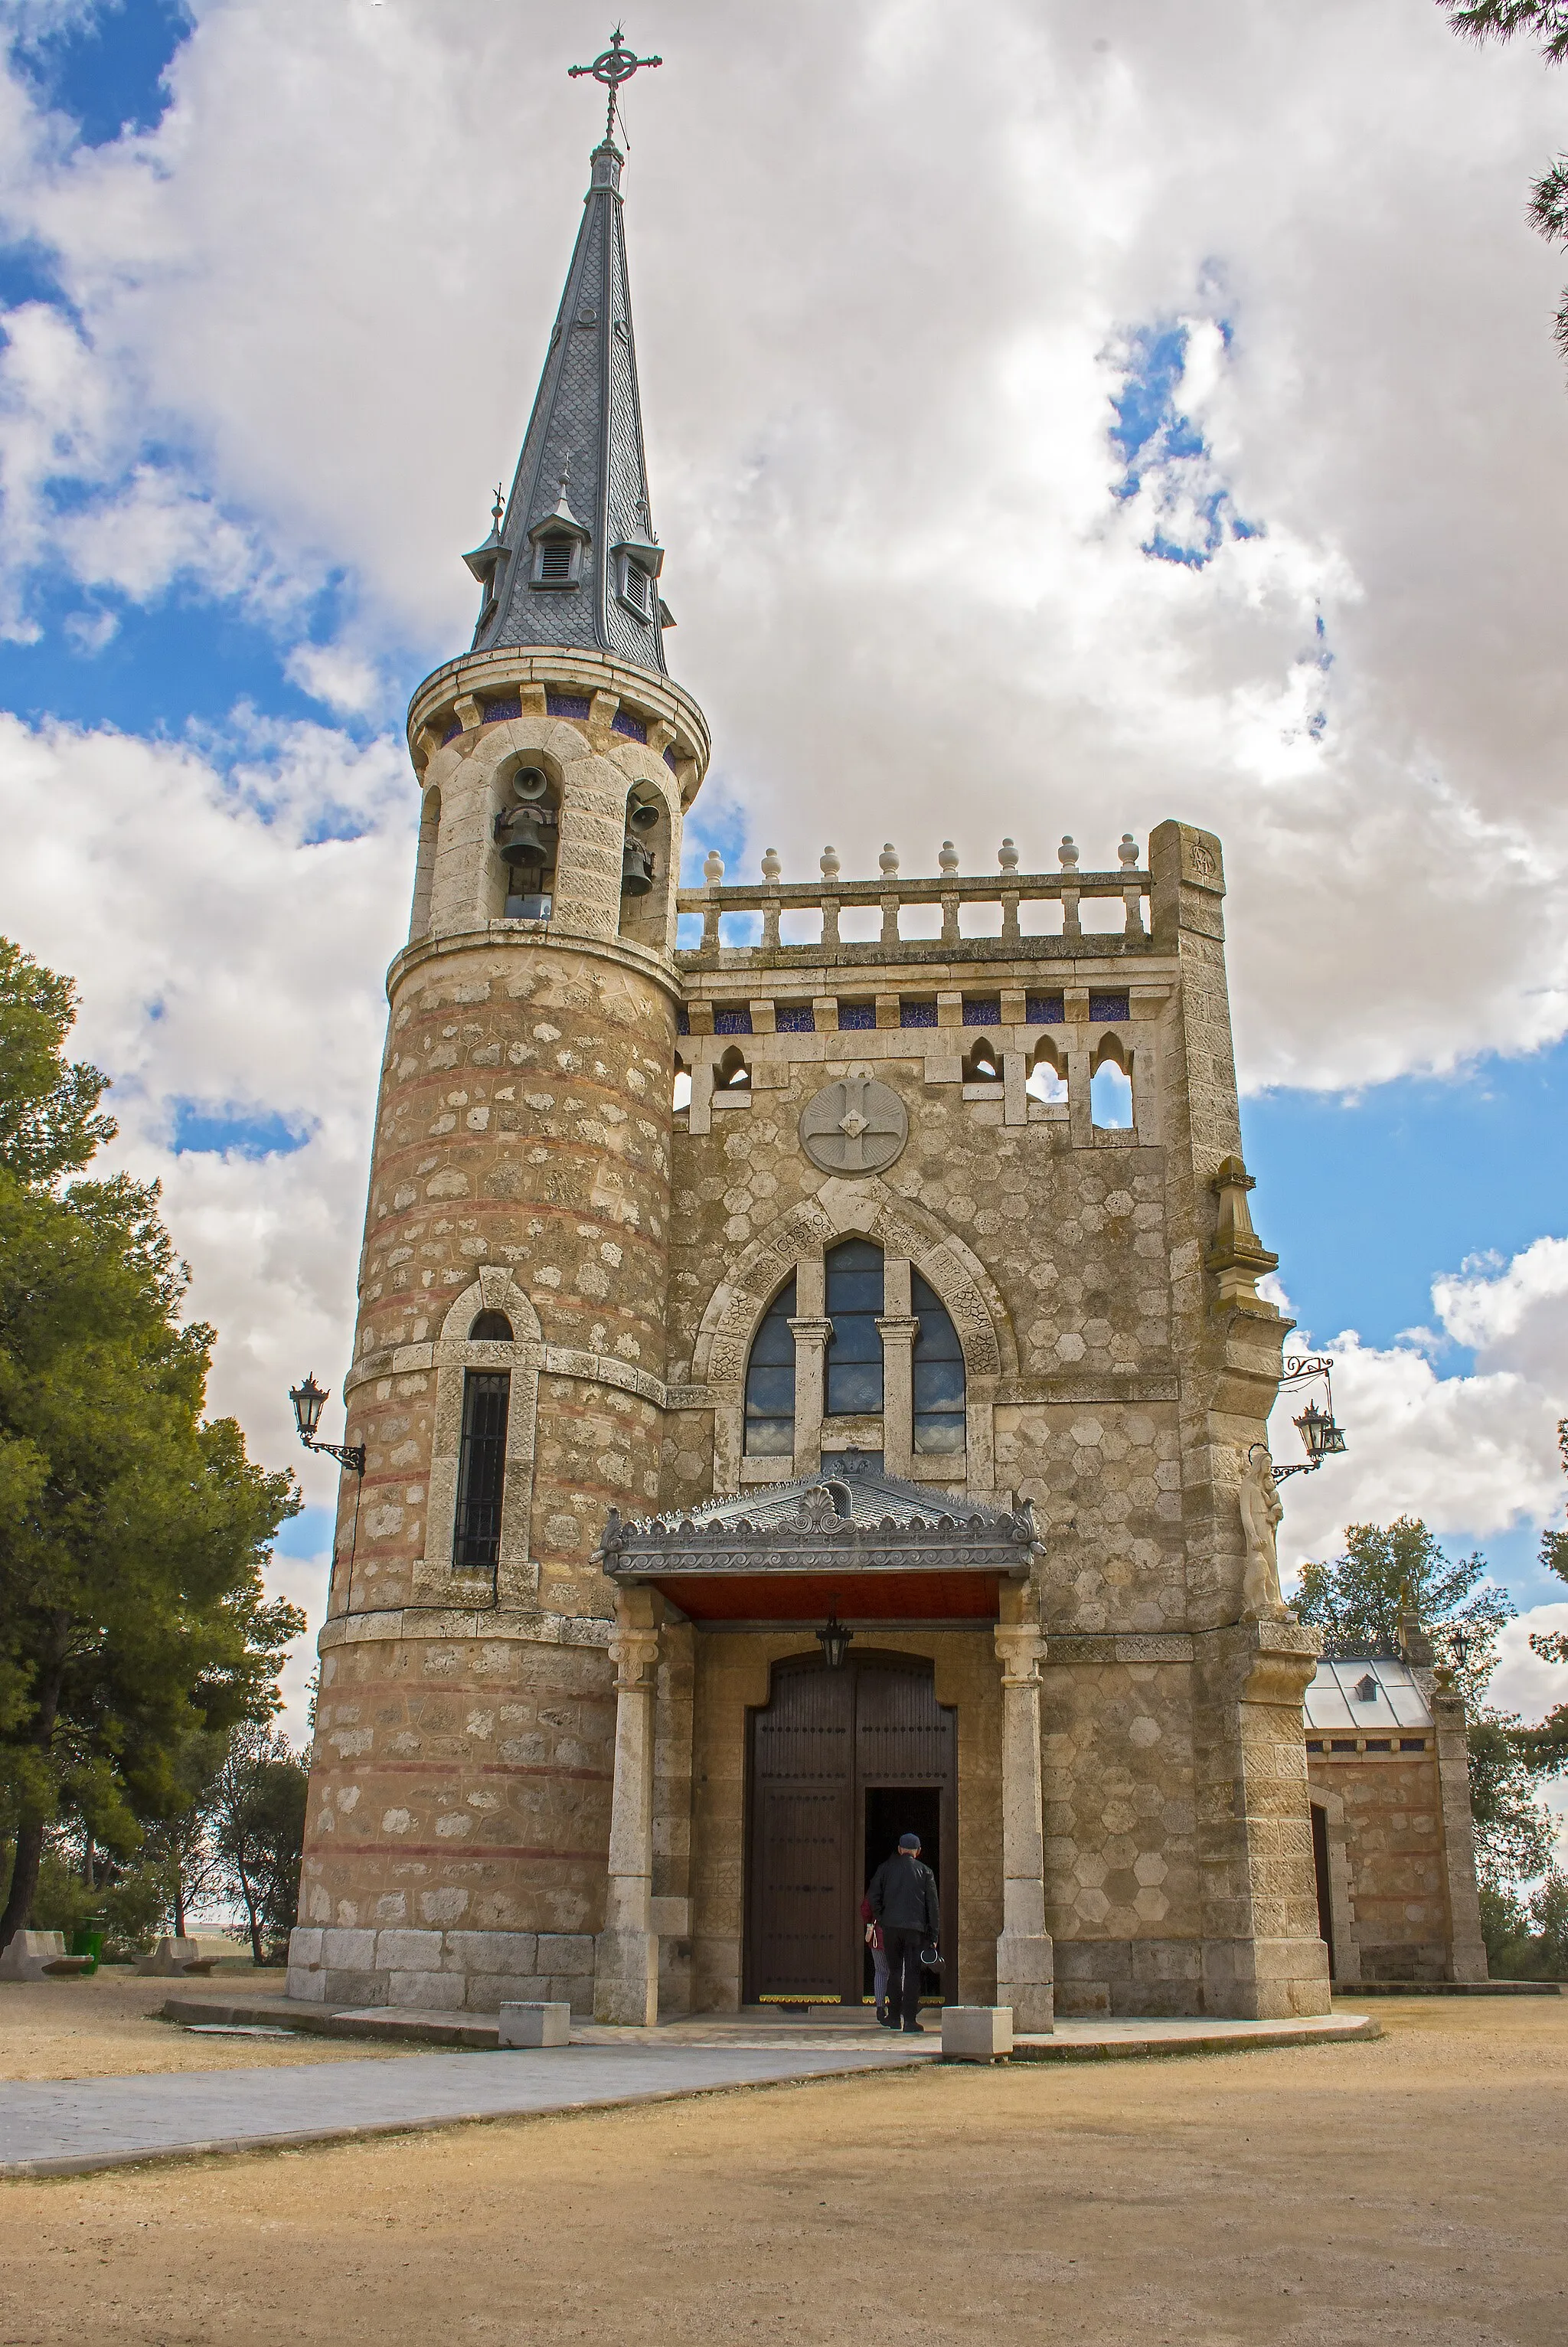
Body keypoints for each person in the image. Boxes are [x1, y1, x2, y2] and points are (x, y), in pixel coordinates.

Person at [866, 1831, 940, 2033]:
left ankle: (893, 2017)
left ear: (900, 1850)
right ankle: (909, 2020)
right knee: (912, 1974)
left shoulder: (885, 1869)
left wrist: (882, 1919)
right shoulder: (926, 1872)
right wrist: (933, 1936)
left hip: (891, 1928)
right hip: (915, 1930)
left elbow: (874, 1897)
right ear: (918, 1851)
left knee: (894, 1972)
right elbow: (932, 1907)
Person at [859, 1891, 889, 2022]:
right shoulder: (898, 1888)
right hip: (897, 1935)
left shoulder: (875, 1891)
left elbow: (865, 1910)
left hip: (877, 1936)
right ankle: (899, 2005)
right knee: (899, 1972)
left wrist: (869, 1922)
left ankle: (880, 2006)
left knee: (881, 1971)